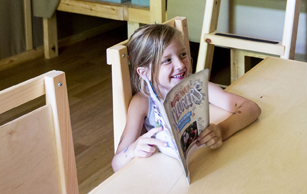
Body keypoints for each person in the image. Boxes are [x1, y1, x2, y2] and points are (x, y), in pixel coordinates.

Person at [111, 24, 261, 171]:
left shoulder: (197, 85)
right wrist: (131, 151)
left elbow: (251, 108)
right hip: (164, 173)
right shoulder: (142, 102)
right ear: (144, 73)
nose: (180, 65)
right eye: (167, 60)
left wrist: (221, 130)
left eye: (182, 54)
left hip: (205, 162)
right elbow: (116, 163)